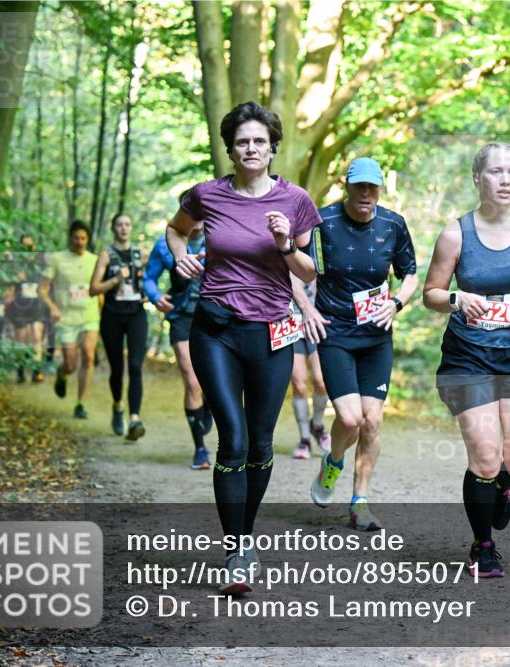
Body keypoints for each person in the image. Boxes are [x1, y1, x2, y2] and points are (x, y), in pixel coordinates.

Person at [168, 101, 320, 594]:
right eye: (241, 141)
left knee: (259, 442)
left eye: (259, 141)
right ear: (230, 149)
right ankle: (236, 550)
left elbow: (310, 272)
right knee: (231, 438)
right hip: (215, 328)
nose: (251, 148)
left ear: (272, 146)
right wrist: (181, 256)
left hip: (273, 332)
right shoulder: (207, 195)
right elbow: (176, 229)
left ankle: (246, 537)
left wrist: (284, 244)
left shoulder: (296, 200)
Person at [422, 142, 510, 578]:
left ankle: (501, 487)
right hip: (469, 356)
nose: (505, 180)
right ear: (477, 178)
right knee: (485, 457)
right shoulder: (456, 234)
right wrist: (456, 298)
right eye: (495, 172)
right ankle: (482, 546)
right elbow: (432, 294)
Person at [303, 157, 418, 531]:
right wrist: (305, 308)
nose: (366, 193)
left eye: (373, 187)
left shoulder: (392, 225)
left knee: (372, 421)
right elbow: (292, 268)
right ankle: (333, 462)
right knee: (350, 419)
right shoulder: (323, 222)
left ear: (381, 188)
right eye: (359, 186)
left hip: (376, 337)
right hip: (335, 333)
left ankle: (360, 502)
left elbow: (410, 275)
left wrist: (396, 302)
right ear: (346, 185)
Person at [144, 219, 214, 469]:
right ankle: (200, 450)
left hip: (215, 317)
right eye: (190, 211)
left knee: (212, 380)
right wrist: (155, 296)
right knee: (192, 379)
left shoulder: (220, 237)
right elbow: (149, 278)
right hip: (182, 317)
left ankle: (209, 404)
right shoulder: (165, 244)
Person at [90, 213, 148, 440]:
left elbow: (150, 277)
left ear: (131, 228)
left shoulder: (140, 252)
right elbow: (93, 289)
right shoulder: (106, 254)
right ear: (113, 228)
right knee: (117, 368)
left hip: (136, 314)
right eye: (119, 225)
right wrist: (115, 280)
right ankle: (117, 407)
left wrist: (148, 293)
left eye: (127, 224)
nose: (123, 228)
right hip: (112, 315)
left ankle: (134, 419)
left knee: (135, 366)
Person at [39, 220, 100, 419]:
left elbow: (99, 290)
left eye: (83, 238)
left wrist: (101, 306)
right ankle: (62, 374)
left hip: (90, 316)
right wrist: (53, 308)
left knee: (89, 356)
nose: (79, 242)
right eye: (76, 238)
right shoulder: (57, 259)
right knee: (71, 364)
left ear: (88, 239)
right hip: (66, 318)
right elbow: (43, 289)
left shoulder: (94, 260)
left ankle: (81, 403)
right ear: (70, 238)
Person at [289, 277, 331, 460]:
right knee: (299, 384)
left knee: (321, 381)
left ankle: (318, 425)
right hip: (290, 323)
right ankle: (304, 439)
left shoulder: (319, 251)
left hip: (317, 320)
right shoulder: (281, 249)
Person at [5, 234, 47, 383]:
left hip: (36, 303)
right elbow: (8, 287)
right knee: (21, 338)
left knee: (36, 335)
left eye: (30, 246)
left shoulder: (41, 262)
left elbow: (47, 282)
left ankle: (36, 370)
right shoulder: (16, 264)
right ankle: (21, 369)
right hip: (20, 304)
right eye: (24, 247)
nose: (27, 250)